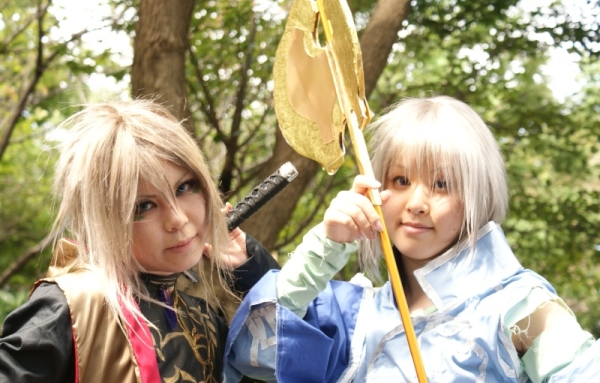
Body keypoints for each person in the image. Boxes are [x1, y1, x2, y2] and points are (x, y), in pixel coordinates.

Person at [223, 96, 600, 382]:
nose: (417, 203)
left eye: (442, 184)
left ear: (477, 197)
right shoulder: (356, 315)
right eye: (401, 180)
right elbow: (253, 352)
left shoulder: (519, 306)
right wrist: (326, 244)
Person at [0, 99, 279, 383]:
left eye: (184, 187)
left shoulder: (204, 319)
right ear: (103, 221)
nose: (178, 219)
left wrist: (254, 269)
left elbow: (292, 363)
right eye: (144, 206)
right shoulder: (72, 307)